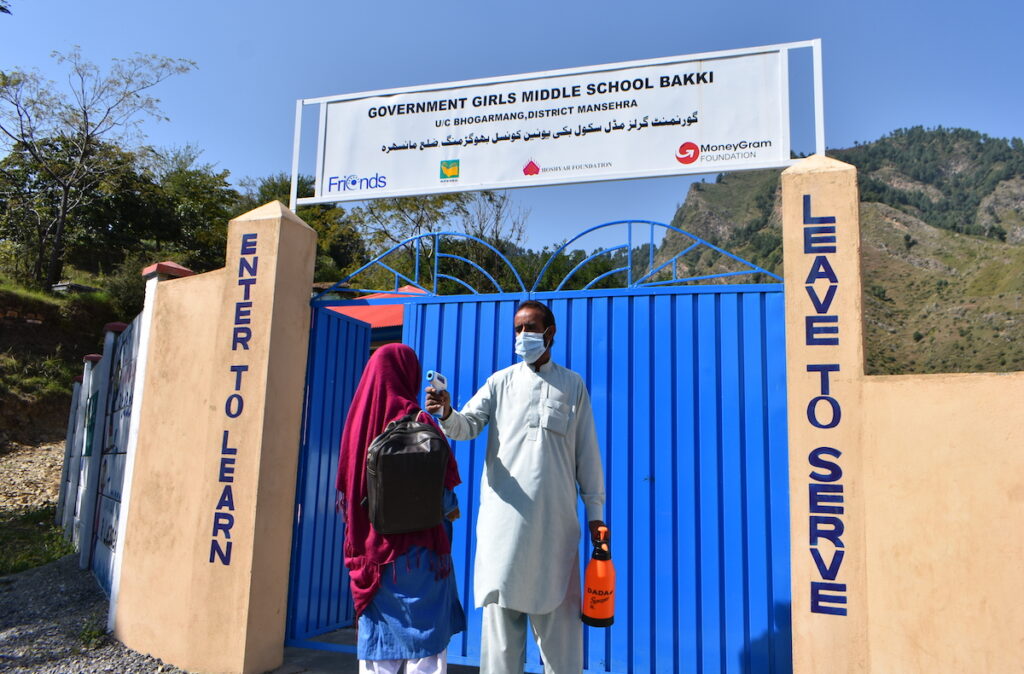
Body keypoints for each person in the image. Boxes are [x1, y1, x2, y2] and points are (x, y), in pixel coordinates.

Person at [425, 300, 606, 674]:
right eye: (517, 329)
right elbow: (466, 425)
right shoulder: (499, 382)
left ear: (550, 333)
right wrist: (445, 412)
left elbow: (587, 457)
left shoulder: (572, 386)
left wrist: (596, 516)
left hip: (555, 531)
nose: (522, 336)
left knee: (562, 646)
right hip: (503, 532)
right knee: (501, 649)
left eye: (530, 328)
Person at [336, 343, 466, 674]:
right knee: (426, 653)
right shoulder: (421, 420)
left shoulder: (358, 424)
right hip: (422, 559)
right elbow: (447, 498)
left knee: (379, 653)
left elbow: (349, 493)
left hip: (374, 560)